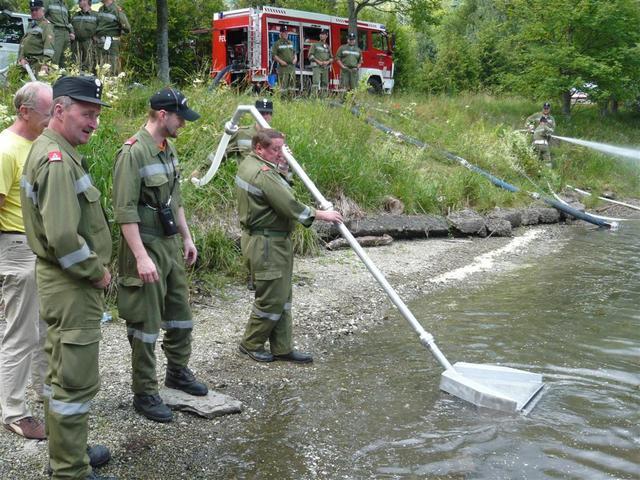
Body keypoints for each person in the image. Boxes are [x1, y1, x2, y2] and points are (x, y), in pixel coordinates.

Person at [20, 76, 113, 479]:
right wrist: (97, 274)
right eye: (86, 113)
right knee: (72, 381)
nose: (93, 123)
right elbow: (61, 236)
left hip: (65, 283)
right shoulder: (55, 159)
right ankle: (70, 470)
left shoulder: (57, 151)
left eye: (96, 115)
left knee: (61, 374)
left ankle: (68, 451)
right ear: (59, 110)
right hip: (73, 284)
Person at [112, 88, 208, 424]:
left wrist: (187, 238)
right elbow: (124, 211)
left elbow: (175, 199)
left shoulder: (169, 149)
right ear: (163, 115)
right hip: (146, 245)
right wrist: (140, 256)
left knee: (180, 314)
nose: (184, 123)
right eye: (181, 117)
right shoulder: (133, 153)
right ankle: (145, 393)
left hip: (169, 245)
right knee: (145, 324)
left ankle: (178, 372)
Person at [236, 129, 343, 364]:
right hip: (266, 243)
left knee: (282, 295)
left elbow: (280, 189)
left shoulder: (252, 164)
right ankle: (250, 343)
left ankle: (282, 347)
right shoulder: (262, 173)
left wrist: (283, 166)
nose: (279, 153)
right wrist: (321, 214)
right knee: (272, 298)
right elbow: (288, 202)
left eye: (282, 149)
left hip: (272, 240)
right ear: (259, 148)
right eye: (276, 150)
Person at [0, 82, 52, 442]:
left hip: (40, 248)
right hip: (17, 247)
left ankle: (42, 391)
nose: (53, 118)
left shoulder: (37, 143)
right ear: (24, 112)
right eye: (48, 113)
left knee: (42, 328)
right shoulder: (6, 149)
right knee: (20, 333)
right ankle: (13, 412)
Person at [18, 0, 55, 76]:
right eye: (32, 10)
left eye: (36, 9)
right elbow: (23, 43)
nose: (34, 12)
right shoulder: (31, 25)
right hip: (26, 63)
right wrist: (21, 58)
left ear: (43, 10)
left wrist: (45, 64)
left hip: (37, 64)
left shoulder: (46, 25)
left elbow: (49, 47)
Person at [95, 0, 130, 75]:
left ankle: (112, 84)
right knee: (101, 67)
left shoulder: (117, 10)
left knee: (112, 68)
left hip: (112, 44)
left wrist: (118, 36)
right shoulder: (101, 9)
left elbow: (127, 28)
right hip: (100, 43)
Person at [44, 0, 74, 69]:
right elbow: (42, 17)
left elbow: (68, 21)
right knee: (54, 61)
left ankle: (64, 78)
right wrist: (49, 30)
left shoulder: (65, 5)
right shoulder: (47, 1)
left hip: (66, 34)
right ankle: (52, 78)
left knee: (66, 61)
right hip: (56, 33)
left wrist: (72, 32)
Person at [71, 0, 98, 72]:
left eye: (80, 0)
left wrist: (97, 36)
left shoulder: (96, 15)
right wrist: (71, 33)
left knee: (89, 66)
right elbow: (70, 27)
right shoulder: (75, 15)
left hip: (89, 44)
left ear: (86, 1)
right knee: (75, 66)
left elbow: (102, 29)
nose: (78, 2)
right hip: (76, 44)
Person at [271, 26, 297, 95]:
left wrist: (295, 59)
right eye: (284, 32)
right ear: (281, 33)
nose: (286, 34)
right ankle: (283, 100)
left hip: (291, 68)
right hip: (283, 68)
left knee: (292, 86)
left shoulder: (291, 43)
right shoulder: (277, 44)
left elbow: (294, 53)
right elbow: (274, 55)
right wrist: (281, 62)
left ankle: (291, 99)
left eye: (286, 32)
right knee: (283, 86)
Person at [308, 30, 332, 95]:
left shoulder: (327, 47)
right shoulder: (315, 45)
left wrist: (327, 62)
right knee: (316, 82)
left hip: (325, 67)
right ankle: (314, 97)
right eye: (321, 34)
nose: (321, 35)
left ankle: (323, 98)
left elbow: (331, 58)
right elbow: (310, 55)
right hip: (317, 66)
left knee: (325, 83)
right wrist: (318, 61)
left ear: (326, 36)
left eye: (323, 34)